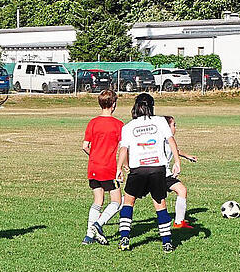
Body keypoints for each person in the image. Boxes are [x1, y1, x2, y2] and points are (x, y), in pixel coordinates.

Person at [115, 93, 181, 253]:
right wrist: (177, 162)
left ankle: (124, 238)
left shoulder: (129, 126)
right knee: (160, 205)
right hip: (157, 169)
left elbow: (124, 148)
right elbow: (171, 140)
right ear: (151, 106)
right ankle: (166, 243)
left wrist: (118, 168)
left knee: (128, 202)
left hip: (138, 169)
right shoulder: (160, 121)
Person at [81, 89, 124, 245]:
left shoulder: (92, 122)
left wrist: (94, 156)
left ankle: (88, 237)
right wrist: (123, 166)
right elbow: (123, 148)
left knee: (98, 200)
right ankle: (97, 225)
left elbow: (85, 146)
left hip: (93, 167)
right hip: (109, 168)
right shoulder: (119, 125)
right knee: (116, 201)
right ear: (113, 105)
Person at [162, 115, 197, 229]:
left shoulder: (169, 139)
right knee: (131, 197)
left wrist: (187, 156)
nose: (175, 127)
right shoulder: (161, 139)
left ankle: (179, 222)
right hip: (158, 174)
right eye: (174, 125)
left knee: (181, 190)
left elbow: (175, 150)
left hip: (165, 175)